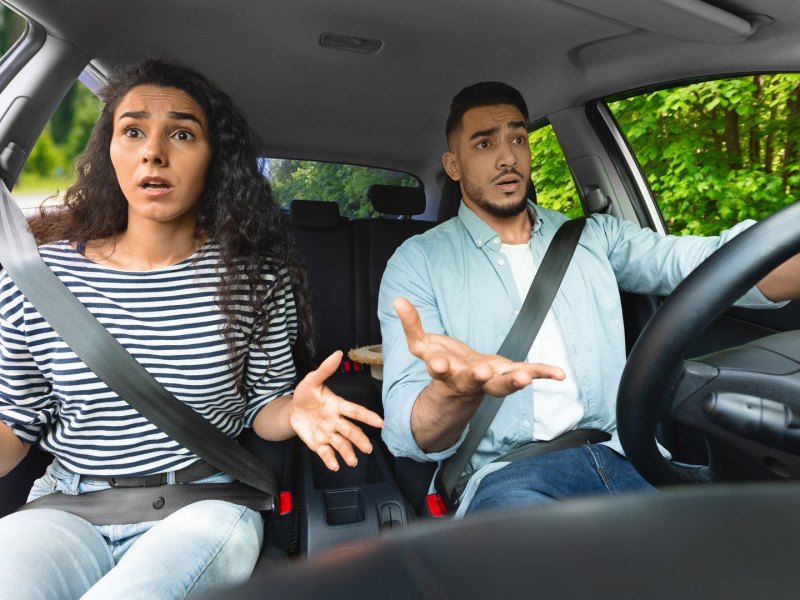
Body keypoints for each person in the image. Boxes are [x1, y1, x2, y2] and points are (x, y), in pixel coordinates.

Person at [0, 59, 383, 599]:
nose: (153, 151)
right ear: (111, 150)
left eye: (182, 133)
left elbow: (261, 408)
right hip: (68, 504)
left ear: (214, 160)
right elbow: (15, 424)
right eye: (133, 130)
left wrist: (293, 411)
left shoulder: (255, 277)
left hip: (205, 505)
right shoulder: (37, 277)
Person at [378, 81, 800, 517]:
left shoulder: (593, 236)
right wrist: (456, 392)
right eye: (484, 143)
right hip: (511, 478)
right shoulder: (417, 262)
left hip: (630, 457)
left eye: (518, 138)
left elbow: (706, 263)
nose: (507, 157)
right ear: (453, 165)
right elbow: (410, 434)